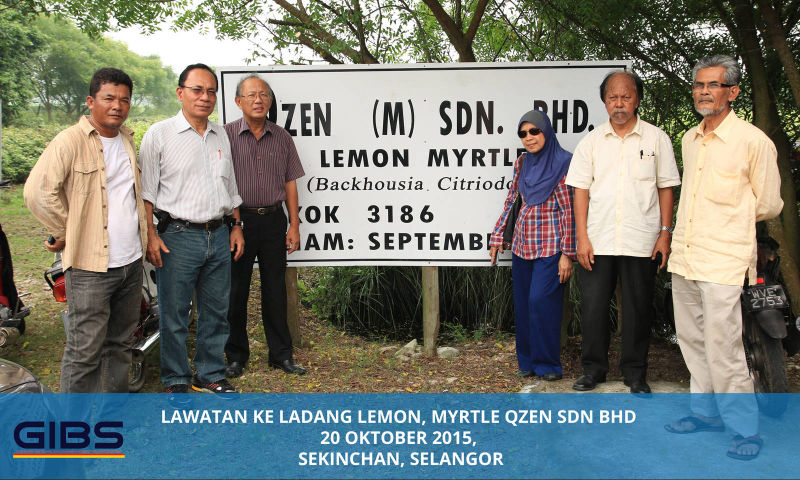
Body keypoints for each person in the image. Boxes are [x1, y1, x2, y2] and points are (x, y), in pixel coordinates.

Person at [665, 55, 783, 461]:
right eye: (699, 85)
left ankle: (745, 429)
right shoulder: (689, 138)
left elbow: (769, 203)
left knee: (724, 347)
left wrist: (729, 221)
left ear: (732, 92)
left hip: (724, 258)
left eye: (712, 85)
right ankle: (706, 413)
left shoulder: (753, 142)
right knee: (692, 340)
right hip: (686, 256)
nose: (703, 92)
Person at [24, 68, 147, 393]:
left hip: (131, 262)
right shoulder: (70, 141)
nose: (117, 106)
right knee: (84, 351)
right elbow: (38, 192)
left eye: (124, 100)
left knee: (120, 344)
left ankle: (111, 415)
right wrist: (64, 230)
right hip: (90, 267)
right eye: (109, 98)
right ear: (91, 101)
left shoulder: (126, 139)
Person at [565, 70, 681, 393]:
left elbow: (666, 187)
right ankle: (593, 370)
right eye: (612, 97)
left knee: (638, 308)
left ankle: (635, 373)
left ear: (637, 99)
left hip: (641, 239)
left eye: (626, 97)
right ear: (604, 101)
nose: (619, 103)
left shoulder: (656, 139)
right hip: (598, 240)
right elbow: (580, 191)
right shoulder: (591, 142)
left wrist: (665, 233)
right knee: (593, 307)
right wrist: (582, 237)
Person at [140, 63, 244, 395]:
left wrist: (237, 225)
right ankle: (175, 378)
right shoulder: (159, 134)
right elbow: (146, 192)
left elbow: (230, 185)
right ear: (180, 92)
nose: (205, 97)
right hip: (177, 237)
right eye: (197, 90)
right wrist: (150, 235)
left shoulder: (220, 134)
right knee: (175, 313)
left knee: (216, 311)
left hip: (219, 234)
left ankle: (210, 373)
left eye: (211, 91)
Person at [224, 74, 306, 377]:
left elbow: (290, 183)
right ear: (238, 101)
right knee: (236, 291)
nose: (258, 100)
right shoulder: (226, 136)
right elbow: (223, 182)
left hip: (273, 220)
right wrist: (235, 224)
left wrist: (294, 225)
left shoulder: (282, 137)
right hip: (238, 222)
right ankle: (236, 356)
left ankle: (281, 355)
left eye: (264, 95)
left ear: (270, 101)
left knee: (275, 289)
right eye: (251, 95)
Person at [489, 110, 575, 381]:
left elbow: (569, 210)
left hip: (551, 247)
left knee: (542, 302)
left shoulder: (564, 163)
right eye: (523, 133)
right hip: (522, 244)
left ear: (546, 132)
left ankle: (547, 365)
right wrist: (497, 236)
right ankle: (526, 363)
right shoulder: (522, 163)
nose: (529, 137)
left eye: (534, 131)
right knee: (524, 304)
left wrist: (567, 253)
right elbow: (512, 200)